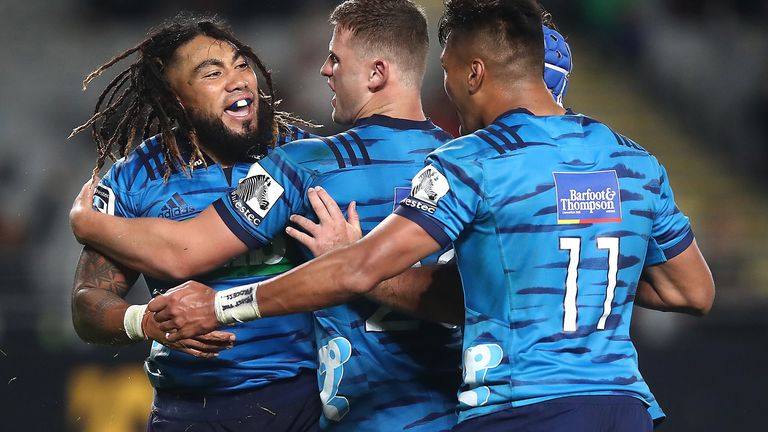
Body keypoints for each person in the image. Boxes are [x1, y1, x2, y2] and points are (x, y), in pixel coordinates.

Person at [86, 1, 715, 431]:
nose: (323, 70)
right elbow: (692, 290)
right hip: (624, 405)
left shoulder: (452, 164)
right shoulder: (628, 159)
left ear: (475, 71)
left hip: (505, 407)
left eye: (335, 58)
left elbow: (188, 256)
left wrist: (90, 223)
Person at [69, 14, 321, 432]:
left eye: (242, 65)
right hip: (190, 410)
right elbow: (86, 304)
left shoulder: (300, 156)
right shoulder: (136, 179)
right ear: (175, 99)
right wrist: (144, 321)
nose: (239, 80)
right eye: (213, 73)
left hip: (304, 399)